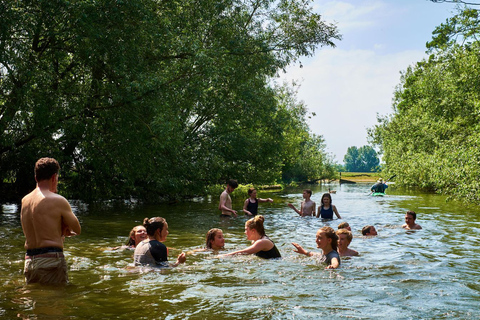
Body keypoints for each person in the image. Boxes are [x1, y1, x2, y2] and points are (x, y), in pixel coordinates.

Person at [21, 157, 81, 284]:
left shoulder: (25, 200)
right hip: (51, 261)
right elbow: (77, 229)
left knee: (37, 300)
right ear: (54, 177)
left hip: (29, 261)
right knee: (56, 302)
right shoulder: (58, 200)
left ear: (36, 177)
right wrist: (64, 227)